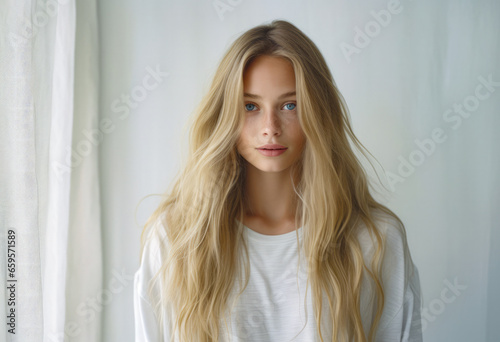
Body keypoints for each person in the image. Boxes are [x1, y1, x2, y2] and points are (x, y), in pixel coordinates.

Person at [134, 19, 423, 342]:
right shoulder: (177, 237)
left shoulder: (375, 239)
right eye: (250, 106)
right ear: (225, 114)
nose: (270, 127)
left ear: (318, 112)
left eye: (290, 105)